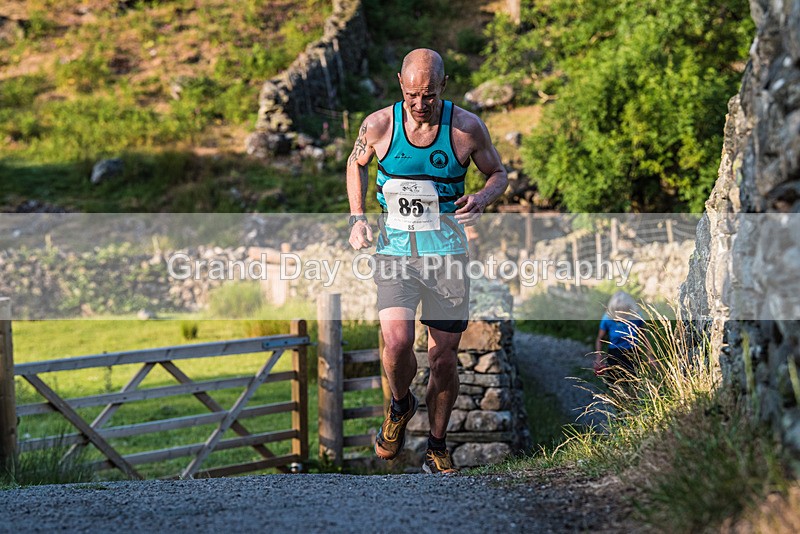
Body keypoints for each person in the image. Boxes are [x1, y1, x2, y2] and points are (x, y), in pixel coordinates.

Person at [346, 48, 508, 474]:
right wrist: (357, 218)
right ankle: (400, 405)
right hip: (395, 254)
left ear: (444, 86)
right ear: (401, 84)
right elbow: (355, 163)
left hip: (447, 256)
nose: (420, 104)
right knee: (397, 344)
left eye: (430, 95)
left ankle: (437, 445)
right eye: (413, 94)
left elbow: (498, 173)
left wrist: (482, 198)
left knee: (443, 360)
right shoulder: (378, 125)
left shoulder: (466, 128)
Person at [593, 291, 646, 382]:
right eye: (618, 310)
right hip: (614, 353)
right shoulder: (607, 318)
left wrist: (650, 355)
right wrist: (598, 358)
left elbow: (644, 336)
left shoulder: (636, 317)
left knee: (634, 382)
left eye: (624, 310)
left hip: (633, 353)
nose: (621, 314)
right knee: (615, 382)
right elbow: (599, 339)